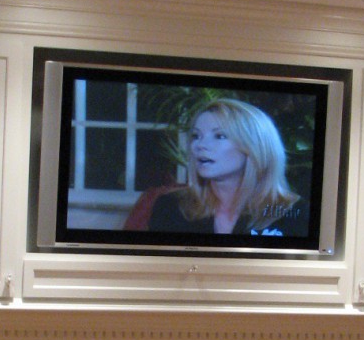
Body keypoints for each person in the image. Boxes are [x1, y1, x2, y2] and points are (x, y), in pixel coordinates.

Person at [131, 97, 306, 236]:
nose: (200, 145)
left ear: (254, 146)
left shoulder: (295, 213)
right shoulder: (170, 207)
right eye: (196, 136)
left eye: (219, 136)